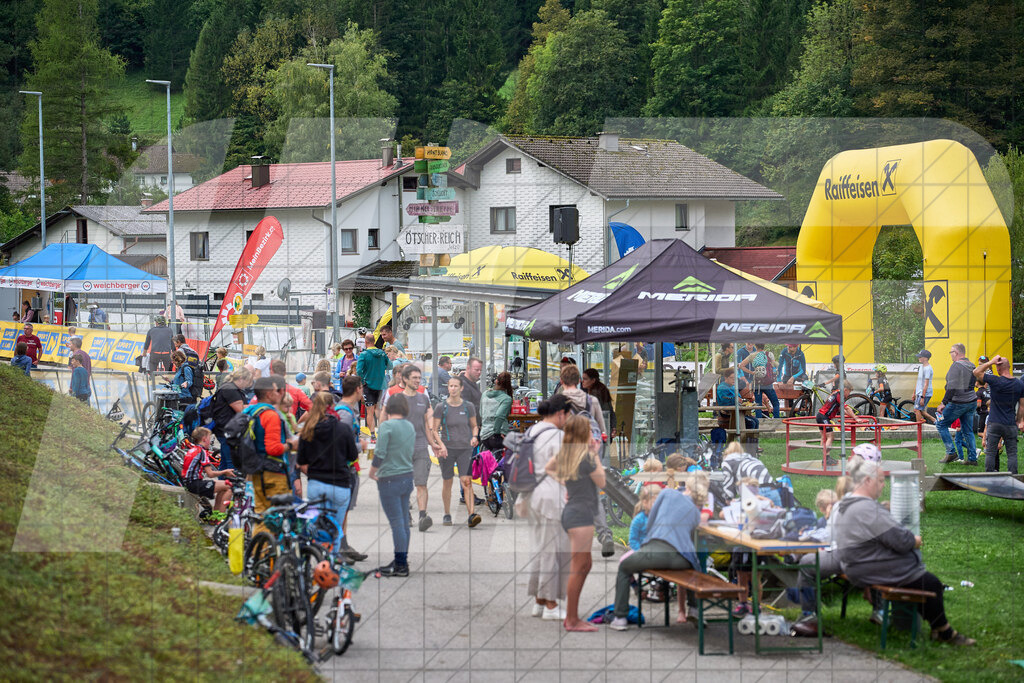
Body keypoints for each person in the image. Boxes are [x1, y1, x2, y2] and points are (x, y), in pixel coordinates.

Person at [834, 457, 976, 645]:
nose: (883, 485)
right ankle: (945, 631)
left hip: (854, 565)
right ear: (867, 480)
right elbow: (901, 540)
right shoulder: (867, 508)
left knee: (923, 581)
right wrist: (915, 540)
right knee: (931, 583)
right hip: (866, 567)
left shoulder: (848, 503)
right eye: (880, 480)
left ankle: (938, 628)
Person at [608, 484, 703, 632]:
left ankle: (620, 617)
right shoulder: (694, 511)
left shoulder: (667, 495)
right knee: (691, 571)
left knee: (624, 567)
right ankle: (694, 609)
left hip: (658, 552)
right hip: (683, 559)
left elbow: (651, 527)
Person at [545, 414, 605, 632]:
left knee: (585, 564)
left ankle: (573, 616)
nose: (592, 434)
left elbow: (549, 468)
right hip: (580, 516)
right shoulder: (586, 458)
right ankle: (572, 619)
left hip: (574, 513)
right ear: (583, 433)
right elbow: (602, 481)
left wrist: (564, 483)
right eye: (589, 430)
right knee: (578, 568)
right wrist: (595, 453)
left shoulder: (568, 454)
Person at [517, 395, 572, 621]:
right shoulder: (557, 436)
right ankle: (551, 605)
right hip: (551, 496)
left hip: (532, 496)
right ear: (560, 413)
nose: (568, 420)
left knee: (541, 549)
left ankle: (539, 602)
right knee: (553, 552)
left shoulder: (533, 430)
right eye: (567, 415)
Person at [298, 391, 361, 563]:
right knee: (336, 526)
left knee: (318, 524)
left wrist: (314, 472)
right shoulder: (342, 428)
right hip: (339, 483)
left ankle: (319, 558)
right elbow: (352, 455)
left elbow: (301, 460)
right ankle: (332, 561)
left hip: (316, 483)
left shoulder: (308, 429)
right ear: (332, 406)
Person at [558, 364, 613, 557]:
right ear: (579, 381)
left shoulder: (559, 401)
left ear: (562, 381)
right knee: (593, 493)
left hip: (570, 451)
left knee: (566, 492)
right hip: (592, 451)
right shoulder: (592, 400)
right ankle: (605, 534)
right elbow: (602, 430)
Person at [383, 365, 445, 531]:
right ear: (405, 379)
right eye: (414, 378)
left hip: (420, 447)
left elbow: (426, 423)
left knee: (421, 483)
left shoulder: (423, 399)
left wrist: (433, 443)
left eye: (419, 378)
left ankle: (423, 516)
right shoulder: (396, 399)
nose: (418, 381)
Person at [368, 393, 416, 577]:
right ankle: (401, 559)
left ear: (388, 408)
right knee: (403, 521)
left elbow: (380, 453)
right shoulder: (409, 426)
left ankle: (401, 564)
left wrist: (372, 471)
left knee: (396, 523)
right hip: (407, 476)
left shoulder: (386, 426)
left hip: (389, 478)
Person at [246, 377, 301, 526]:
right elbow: (273, 448)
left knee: (262, 516)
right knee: (275, 520)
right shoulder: (271, 415)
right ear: (269, 394)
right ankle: (267, 541)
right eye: (277, 391)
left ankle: (260, 540)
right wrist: (291, 445)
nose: (279, 393)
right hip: (273, 473)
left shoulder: (250, 410)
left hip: (256, 471)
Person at [435, 376, 480, 527]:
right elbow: (434, 430)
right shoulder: (441, 407)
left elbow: (474, 426)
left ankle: (471, 515)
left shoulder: (468, 406)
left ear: (461, 388)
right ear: (448, 388)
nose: (453, 389)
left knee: (466, 481)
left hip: (465, 450)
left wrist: (474, 436)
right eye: (451, 386)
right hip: (447, 450)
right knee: (447, 482)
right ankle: (447, 513)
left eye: (456, 386)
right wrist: (441, 445)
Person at [973, 355, 1024, 473]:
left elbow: (976, 372)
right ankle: (1013, 478)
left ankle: (990, 477)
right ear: (1009, 367)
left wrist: (991, 362)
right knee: (1012, 453)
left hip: (994, 422)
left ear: (998, 368)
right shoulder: (1019, 384)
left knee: (990, 453)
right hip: (1010, 423)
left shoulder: (995, 380)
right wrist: (1019, 420)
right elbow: (1022, 405)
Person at [937, 343, 978, 464]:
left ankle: (951, 453)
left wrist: (943, 403)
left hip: (958, 402)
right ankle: (972, 459)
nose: (950, 355)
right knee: (968, 431)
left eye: (951, 352)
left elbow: (952, 386)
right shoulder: (972, 365)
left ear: (956, 353)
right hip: (971, 401)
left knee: (940, 424)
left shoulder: (956, 365)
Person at [181, 427, 235, 515]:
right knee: (229, 487)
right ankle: (220, 517)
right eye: (209, 439)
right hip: (194, 484)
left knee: (223, 486)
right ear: (204, 439)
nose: (210, 442)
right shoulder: (202, 452)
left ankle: (216, 514)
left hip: (188, 482)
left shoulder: (193, 449)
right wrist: (225, 472)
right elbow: (210, 474)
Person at [210, 368, 253, 472]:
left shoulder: (230, 387)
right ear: (241, 378)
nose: (248, 385)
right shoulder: (230, 389)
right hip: (226, 430)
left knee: (225, 463)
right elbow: (241, 410)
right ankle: (230, 482)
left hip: (224, 429)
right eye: (248, 381)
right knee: (231, 463)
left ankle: (222, 481)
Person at [356, 331, 392, 436]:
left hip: (368, 385)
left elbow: (358, 370)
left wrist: (363, 380)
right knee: (378, 409)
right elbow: (390, 366)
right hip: (381, 384)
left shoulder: (364, 354)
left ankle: (372, 435)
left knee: (370, 410)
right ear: (374, 341)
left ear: (366, 342)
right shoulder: (382, 353)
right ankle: (381, 432)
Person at [817, 380, 857, 465]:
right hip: (824, 417)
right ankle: (826, 458)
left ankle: (825, 458)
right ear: (845, 390)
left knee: (824, 437)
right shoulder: (839, 396)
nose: (848, 395)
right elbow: (847, 408)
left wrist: (851, 415)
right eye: (849, 392)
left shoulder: (835, 393)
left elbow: (840, 409)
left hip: (820, 416)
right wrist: (856, 418)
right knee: (830, 437)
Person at [738, 343, 779, 418]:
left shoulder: (752, 356)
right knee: (775, 403)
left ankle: (759, 422)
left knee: (758, 405)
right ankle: (776, 420)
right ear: (764, 346)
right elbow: (774, 366)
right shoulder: (769, 354)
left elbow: (741, 366)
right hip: (768, 383)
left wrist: (752, 372)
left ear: (755, 346)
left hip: (757, 383)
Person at [479, 371, 513, 453]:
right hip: (498, 436)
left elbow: (481, 413)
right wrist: (496, 433)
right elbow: (499, 416)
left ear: (496, 381)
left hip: (484, 436)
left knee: (488, 460)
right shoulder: (506, 399)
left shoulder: (484, 394)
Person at [581, 368, 615, 436]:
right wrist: (613, 427)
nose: (582, 381)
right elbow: (611, 411)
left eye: (585, 379)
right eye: (583, 379)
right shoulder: (601, 389)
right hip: (606, 426)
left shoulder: (595, 394)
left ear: (593, 380)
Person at [628, 486, 660, 551]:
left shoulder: (661, 517)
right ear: (645, 502)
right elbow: (633, 540)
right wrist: (641, 552)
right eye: (655, 502)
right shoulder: (639, 520)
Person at [913, 349, 936, 425]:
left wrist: (922, 397)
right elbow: (918, 381)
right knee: (920, 410)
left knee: (917, 409)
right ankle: (936, 421)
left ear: (925, 358)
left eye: (920, 357)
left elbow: (926, 384)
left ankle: (919, 426)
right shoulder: (921, 367)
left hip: (925, 393)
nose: (919, 358)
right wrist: (914, 393)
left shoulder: (928, 369)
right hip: (920, 392)